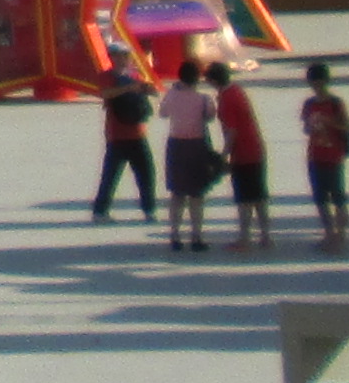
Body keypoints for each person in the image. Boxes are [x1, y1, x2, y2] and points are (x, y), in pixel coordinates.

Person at [159, 61, 222, 251]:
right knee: (197, 195)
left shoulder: (171, 95)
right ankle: (196, 236)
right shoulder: (204, 98)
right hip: (197, 146)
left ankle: (175, 235)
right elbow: (211, 116)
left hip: (176, 145)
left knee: (177, 194)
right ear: (197, 78)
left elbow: (162, 113)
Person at [298, 63, 349, 249]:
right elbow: (306, 128)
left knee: (338, 196)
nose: (315, 85)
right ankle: (329, 233)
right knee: (320, 198)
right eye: (312, 82)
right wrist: (311, 126)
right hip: (315, 155)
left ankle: (340, 235)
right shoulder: (308, 104)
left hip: (334, 156)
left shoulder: (335, 103)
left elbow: (347, 126)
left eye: (318, 81)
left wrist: (329, 122)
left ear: (325, 81)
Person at [215, 66, 273, 252]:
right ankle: (265, 236)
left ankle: (244, 239)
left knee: (244, 199)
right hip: (256, 148)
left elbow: (232, 131)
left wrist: (224, 156)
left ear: (213, 81)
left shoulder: (226, 99)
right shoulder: (238, 91)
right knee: (259, 196)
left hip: (243, 153)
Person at [91, 71, 159, 222]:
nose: (121, 58)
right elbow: (105, 93)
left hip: (138, 133)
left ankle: (149, 210)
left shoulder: (136, 74)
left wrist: (147, 89)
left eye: (124, 55)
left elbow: (153, 92)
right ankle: (100, 211)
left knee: (147, 173)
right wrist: (128, 88)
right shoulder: (108, 76)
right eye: (117, 55)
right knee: (111, 175)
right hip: (116, 135)